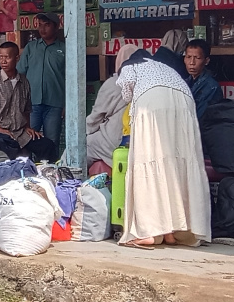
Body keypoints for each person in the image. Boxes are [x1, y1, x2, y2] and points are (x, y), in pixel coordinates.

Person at [116, 50, 211, 248]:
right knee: (175, 162)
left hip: (152, 103)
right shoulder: (163, 66)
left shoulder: (129, 66)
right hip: (184, 102)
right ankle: (171, 232)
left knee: (149, 160)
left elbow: (126, 95)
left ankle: (148, 232)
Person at [0, 42, 58, 163]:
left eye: (7, 57)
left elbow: (26, 110)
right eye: (0, 57)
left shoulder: (24, 81)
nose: (3, 61)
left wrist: (27, 127)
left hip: (20, 132)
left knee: (47, 145)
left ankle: (45, 174)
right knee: (11, 153)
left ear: (17, 58)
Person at [86, 44, 138, 172]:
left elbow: (95, 117)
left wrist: (85, 132)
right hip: (137, 141)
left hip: (114, 141)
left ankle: (66, 180)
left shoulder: (113, 83)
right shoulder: (144, 81)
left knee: (81, 145)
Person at [17, 11, 65, 147]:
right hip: (31, 104)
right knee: (28, 140)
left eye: (47, 25)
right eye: (40, 25)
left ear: (56, 27)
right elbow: (20, 74)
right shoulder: (31, 48)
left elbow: (70, 79)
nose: (42, 29)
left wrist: (66, 105)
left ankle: (50, 168)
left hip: (55, 103)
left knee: (51, 142)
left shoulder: (64, 49)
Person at [184, 39, 221, 121]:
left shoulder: (212, 87)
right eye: (189, 57)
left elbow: (199, 117)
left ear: (206, 61)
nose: (192, 62)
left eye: (197, 58)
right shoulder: (184, 82)